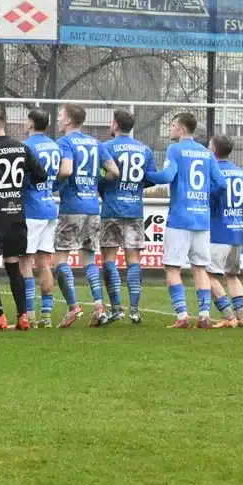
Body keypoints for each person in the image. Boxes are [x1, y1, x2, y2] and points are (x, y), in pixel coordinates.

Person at [144, 112, 227, 328]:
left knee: (172, 268)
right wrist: (204, 195)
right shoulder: (207, 154)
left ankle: (182, 316)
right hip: (201, 218)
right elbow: (222, 183)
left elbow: (167, 176)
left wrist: (148, 174)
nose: (170, 129)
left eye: (172, 125)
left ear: (181, 129)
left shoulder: (175, 149)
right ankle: (204, 315)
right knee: (200, 268)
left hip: (180, 219)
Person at [0, 107, 48, 331]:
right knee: (13, 266)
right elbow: (42, 175)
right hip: (16, 214)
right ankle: (23, 316)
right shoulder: (22, 147)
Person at [54, 103, 119, 327]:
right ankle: (99, 306)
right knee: (89, 258)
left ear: (69, 120)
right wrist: (95, 180)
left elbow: (67, 170)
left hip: (72, 207)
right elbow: (114, 171)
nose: (59, 119)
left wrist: (53, 183)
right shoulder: (96, 143)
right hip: (93, 207)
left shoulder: (64, 142)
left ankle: (73, 307)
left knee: (60, 257)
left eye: (61, 115)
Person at [98, 109, 156, 324]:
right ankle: (134, 309)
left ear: (115, 125)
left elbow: (99, 177)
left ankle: (116, 308)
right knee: (133, 259)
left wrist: (103, 187)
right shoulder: (145, 150)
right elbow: (149, 178)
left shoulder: (105, 147)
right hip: (135, 209)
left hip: (112, 208)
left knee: (109, 259)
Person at [22, 108, 71, 327]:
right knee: (44, 263)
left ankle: (29, 315)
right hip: (50, 207)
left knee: (24, 261)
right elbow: (63, 174)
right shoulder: (55, 145)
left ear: (31, 123)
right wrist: (52, 188)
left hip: (32, 209)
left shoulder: (27, 146)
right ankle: (46, 316)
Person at [207, 134, 243, 328]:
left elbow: (209, 200)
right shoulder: (240, 173)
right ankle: (242, 316)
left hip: (218, 232)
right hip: (236, 231)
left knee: (208, 275)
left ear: (213, 150)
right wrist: (234, 213)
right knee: (232, 275)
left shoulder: (213, 172)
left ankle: (228, 316)